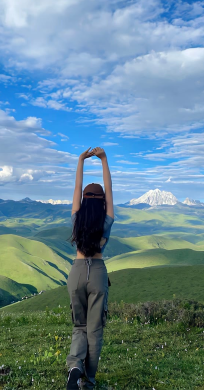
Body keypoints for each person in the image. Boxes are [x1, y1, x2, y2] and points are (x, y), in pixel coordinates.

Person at [66, 146, 114, 390]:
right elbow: (110, 190)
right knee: (94, 330)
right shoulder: (106, 220)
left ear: (84, 200)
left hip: (75, 272)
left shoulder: (77, 216)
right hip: (97, 272)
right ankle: (89, 382)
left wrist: (80, 161)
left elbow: (77, 187)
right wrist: (104, 159)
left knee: (79, 326)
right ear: (103, 200)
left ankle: (75, 366)